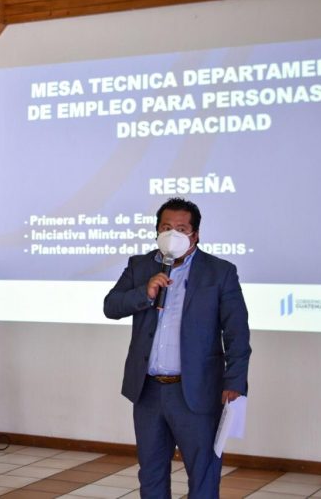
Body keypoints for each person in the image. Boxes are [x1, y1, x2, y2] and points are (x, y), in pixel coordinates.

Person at [103, 198, 251, 498]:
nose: (173, 234)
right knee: (151, 473)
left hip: (197, 392)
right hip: (148, 391)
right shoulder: (140, 266)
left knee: (203, 473)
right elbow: (111, 306)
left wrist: (234, 381)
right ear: (157, 230)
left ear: (195, 234)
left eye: (181, 229)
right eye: (166, 227)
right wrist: (145, 293)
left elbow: (236, 332)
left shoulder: (219, 272)